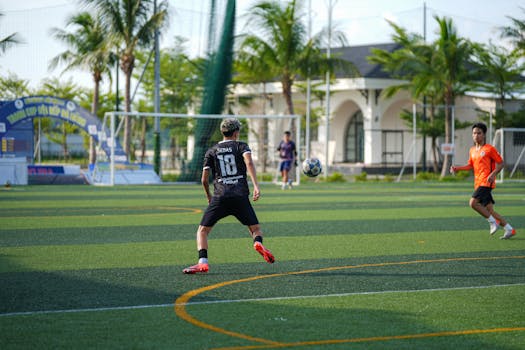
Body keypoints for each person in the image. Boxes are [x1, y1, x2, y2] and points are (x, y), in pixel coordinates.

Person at [183, 118, 275, 274]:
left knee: (202, 231)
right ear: (236, 132)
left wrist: (209, 197)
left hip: (220, 196)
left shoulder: (211, 151)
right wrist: (256, 186)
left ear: (222, 132)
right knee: (255, 229)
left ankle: (202, 262)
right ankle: (257, 243)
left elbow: (204, 179)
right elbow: (249, 163)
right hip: (240, 195)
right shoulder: (241, 146)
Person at [450, 122, 516, 240]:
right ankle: (509, 229)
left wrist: (493, 173)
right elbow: (471, 165)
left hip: (486, 182)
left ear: (484, 134)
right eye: (474, 133)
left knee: (473, 203)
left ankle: (492, 222)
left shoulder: (489, 149)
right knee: (490, 210)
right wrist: (457, 168)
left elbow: (501, 163)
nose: (476, 135)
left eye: (479, 133)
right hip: (478, 183)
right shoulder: (472, 150)